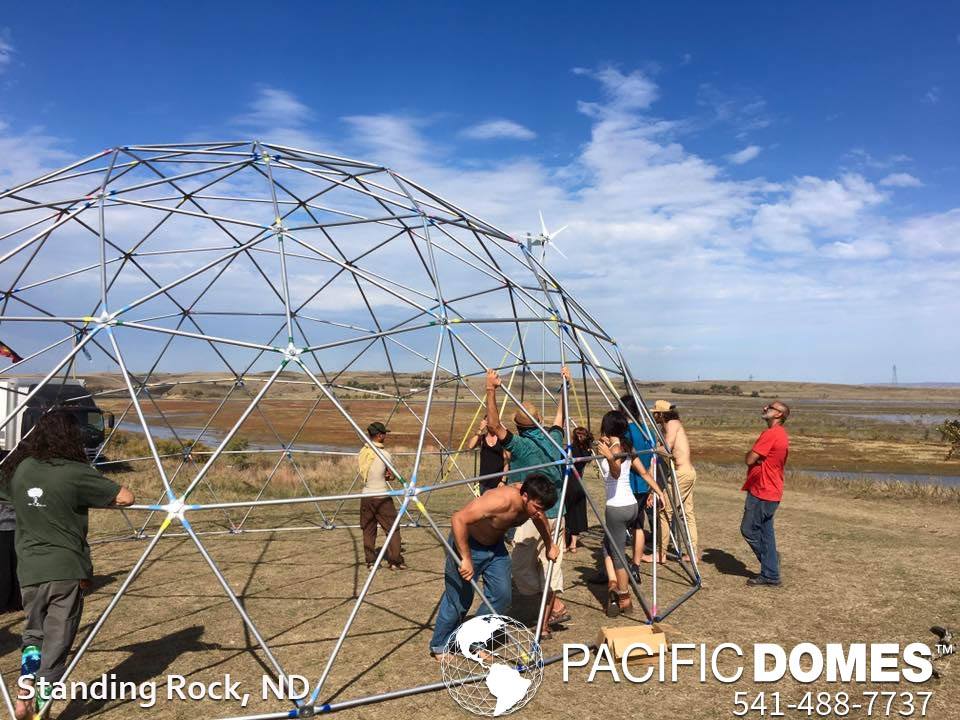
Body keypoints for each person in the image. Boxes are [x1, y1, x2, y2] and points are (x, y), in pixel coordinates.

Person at [0, 411, 134, 720]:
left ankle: (24, 694)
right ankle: (43, 709)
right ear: (71, 437)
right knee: (57, 643)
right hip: (66, 570)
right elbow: (127, 496)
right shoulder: (75, 471)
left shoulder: (22, 469)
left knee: (33, 634)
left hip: (30, 571)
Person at [429, 474, 558, 657]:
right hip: (468, 545)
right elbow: (458, 519)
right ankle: (440, 645)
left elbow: (539, 518)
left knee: (502, 596)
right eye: (537, 508)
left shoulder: (533, 505)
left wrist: (549, 544)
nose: (539, 512)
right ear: (525, 496)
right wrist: (465, 558)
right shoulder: (500, 501)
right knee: (459, 598)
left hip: (495, 549)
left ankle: (475, 641)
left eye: (542, 508)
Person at [484, 367, 570, 636]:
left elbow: (494, 426)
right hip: (559, 514)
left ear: (520, 427)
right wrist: (565, 387)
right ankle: (550, 611)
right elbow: (560, 418)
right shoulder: (553, 437)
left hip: (534, 515)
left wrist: (490, 389)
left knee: (521, 569)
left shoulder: (520, 445)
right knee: (549, 565)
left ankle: (550, 609)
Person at [594, 411, 667, 618]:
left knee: (618, 556)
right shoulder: (626, 446)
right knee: (607, 545)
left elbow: (615, 472)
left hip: (616, 508)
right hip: (632, 505)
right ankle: (613, 583)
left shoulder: (614, 451)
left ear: (606, 427)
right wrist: (659, 491)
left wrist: (609, 457)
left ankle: (624, 597)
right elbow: (643, 473)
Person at [741, 401, 791, 587]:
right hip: (772, 490)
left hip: (763, 490)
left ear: (779, 415)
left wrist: (753, 457)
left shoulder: (771, 434)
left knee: (749, 530)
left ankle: (770, 568)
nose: (764, 408)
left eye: (770, 407)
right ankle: (771, 570)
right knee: (766, 532)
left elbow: (749, 459)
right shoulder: (782, 434)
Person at [618, 395, 666, 576]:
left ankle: (618, 566)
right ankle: (635, 565)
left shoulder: (625, 433)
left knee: (619, 526)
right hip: (644, 485)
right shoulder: (648, 432)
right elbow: (653, 461)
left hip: (627, 485)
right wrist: (652, 488)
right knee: (638, 525)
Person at [649, 400, 699, 563]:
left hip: (682, 473)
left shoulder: (672, 423)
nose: (653, 415)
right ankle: (692, 553)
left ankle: (661, 554)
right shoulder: (667, 425)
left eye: (655, 413)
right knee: (687, 513)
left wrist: (653, 449)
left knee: (664, 511)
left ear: (661, 414)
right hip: (685, 472)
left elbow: (668, 448)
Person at [357, 421, 405, 570]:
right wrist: (390, 476)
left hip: (366, 496)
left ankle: (370, 561)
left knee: (369, 529)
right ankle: (395, 561)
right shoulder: (384, 454)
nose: (385, 436)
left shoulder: (363, 453)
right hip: (381, 497)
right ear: (379, 436)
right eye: (383, 434)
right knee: (392, 529)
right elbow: (391, 476)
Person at [564, 427, 592, 554]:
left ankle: (564, 543)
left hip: (569, 483)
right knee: (576, 513)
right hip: (579, 484)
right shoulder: (587, 451)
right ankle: (573, 544)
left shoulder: (569, 450)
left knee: (567, 513)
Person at [466, 418, 510, 494]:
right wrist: (480, 429)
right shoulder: (482, 438)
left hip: (499, 482)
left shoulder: (501, 439)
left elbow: (507, 460)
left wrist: (503, 480)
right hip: (484, 482)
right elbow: (470, 446)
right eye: (489, 421)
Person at [0, 501, 21, 613]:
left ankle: (16, 601)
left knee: (15, 566)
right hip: (5, 529)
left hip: (16, 528)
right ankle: (6, 602)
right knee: (5, 568)